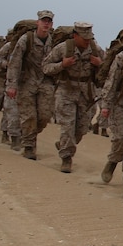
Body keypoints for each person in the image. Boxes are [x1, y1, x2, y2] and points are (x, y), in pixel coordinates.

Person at [42, 22, 104, 173]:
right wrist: (62, 65)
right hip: (66, 91)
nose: (87, 41)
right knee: (68, 126)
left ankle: (64, 144)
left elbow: (108, 69)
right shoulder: (63, 48)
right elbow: (45, 67)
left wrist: (100, 64)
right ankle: (66, 158)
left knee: (82, 128)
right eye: (84, 38)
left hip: (86, 93)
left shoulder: (96, 49)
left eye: (89, 38)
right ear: (75, 36)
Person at [6, 10, 57, 160]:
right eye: (43, 21)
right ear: (38, 22)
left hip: (45, 82)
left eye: (48, 21)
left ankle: (28, 135)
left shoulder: (52, 42)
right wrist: (12, 85)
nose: (46, 23)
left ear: (52, 24)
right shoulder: (25, 40)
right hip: (26, 82)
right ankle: (29, 146)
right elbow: (15, 62)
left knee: (44, 116)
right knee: (29, 116)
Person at [98, 48, 123, 183]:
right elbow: (111, 82)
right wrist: (106, 105)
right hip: (120, 103)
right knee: (121, 137)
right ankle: (112, 162)